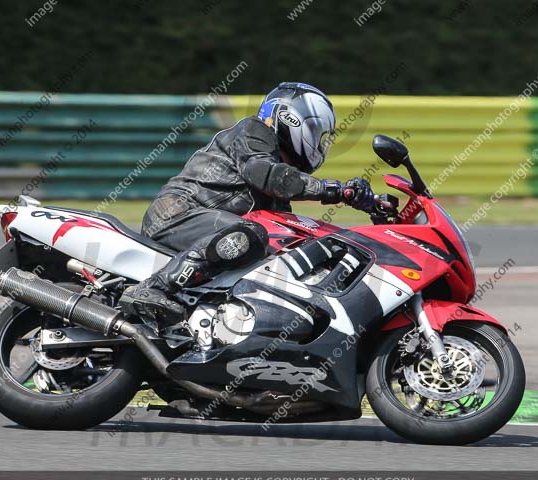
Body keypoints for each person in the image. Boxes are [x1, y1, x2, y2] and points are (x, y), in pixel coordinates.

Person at [120, 82, 375, 323]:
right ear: (293, 120)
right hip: (179, 213)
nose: (320, 145)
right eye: (318, 134)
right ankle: (155, 288)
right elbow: (266, 174)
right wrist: (336, 190)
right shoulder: (254, 132)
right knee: (251, 234)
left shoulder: (278, 171)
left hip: (209, 229)